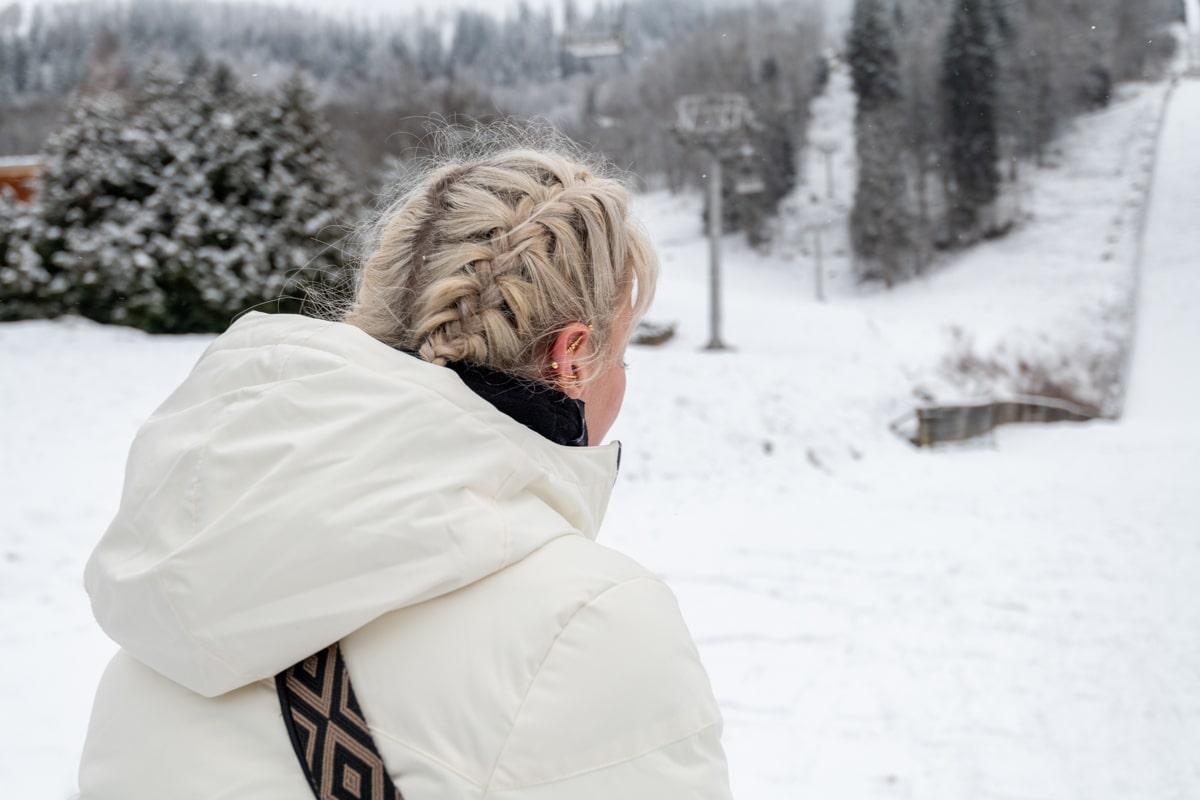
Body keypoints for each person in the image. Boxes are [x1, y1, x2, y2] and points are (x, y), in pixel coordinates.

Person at [76, 128, 733, 799]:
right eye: (622, 356)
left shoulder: (184, 583)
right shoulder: (591, 622)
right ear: (572, 357)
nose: (622, 380)